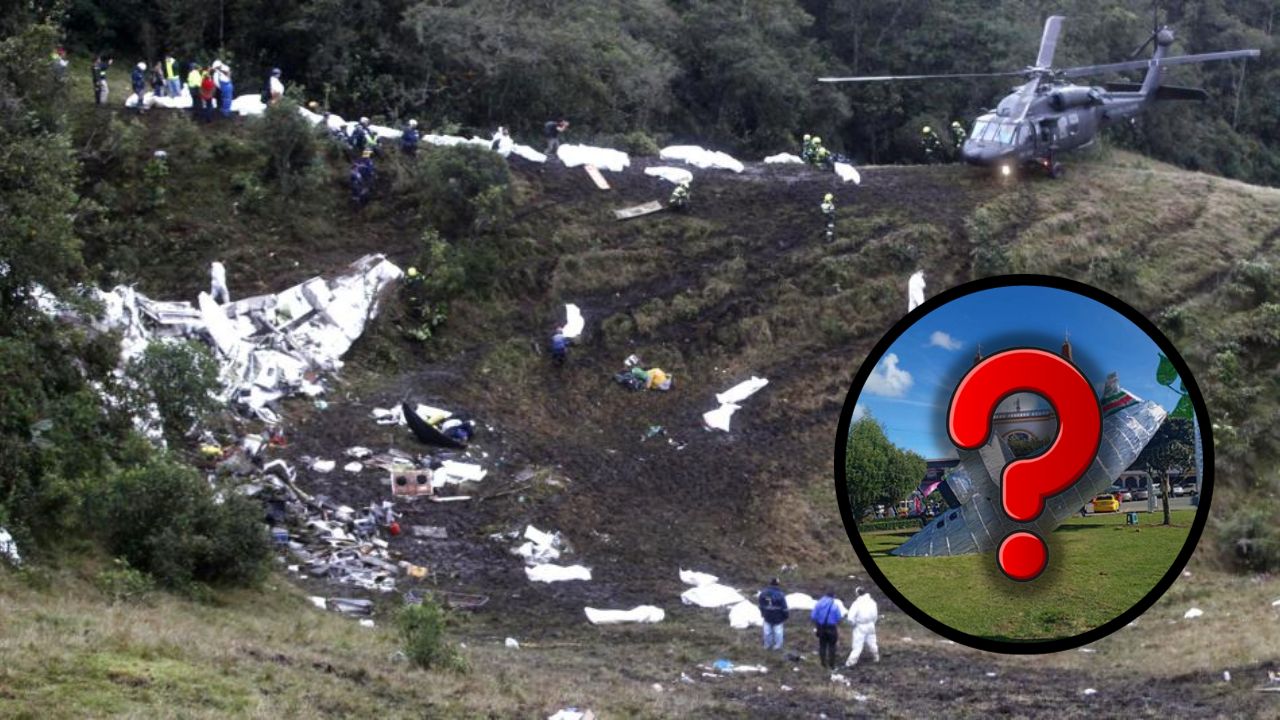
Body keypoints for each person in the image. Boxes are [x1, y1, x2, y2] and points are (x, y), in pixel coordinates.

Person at [811, 589, 847, 669]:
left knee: (822, 645)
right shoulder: (834, 606)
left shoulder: (818, 604)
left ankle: (823, 664)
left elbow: (813, 616)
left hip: (821, 627)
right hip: (831, 628)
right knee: (832, 646)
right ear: (833, 596)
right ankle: (832, 664)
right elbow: (838, 617)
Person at [845, 587, 880, 667]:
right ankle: (876, 657)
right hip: (871, 625)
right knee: (872, 643)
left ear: (857, 594)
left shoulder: (856, 604)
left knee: (857, 646)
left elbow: (850, 617)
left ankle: (850, 663)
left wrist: (853, 624)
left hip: (860, 626)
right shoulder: (872, 602)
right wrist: (872, 623)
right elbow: (875, 616)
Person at [758, 578, 789, 651]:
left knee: (767, 632)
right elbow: (784, 607)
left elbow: (760, 605)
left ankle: (767, 646)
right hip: (778, 617)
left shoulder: (763, 593)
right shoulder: (780, 594)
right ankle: (777, 647)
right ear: (778, 585)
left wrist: (763, 613)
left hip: (767, 615)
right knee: (778, 632)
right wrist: (786, 615)